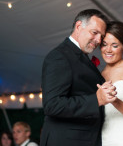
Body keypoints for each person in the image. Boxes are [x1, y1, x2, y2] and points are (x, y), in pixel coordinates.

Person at [40, 9, 117, 146]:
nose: (98, 40)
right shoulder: (60, 56)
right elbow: (52, 105)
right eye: (94, 32)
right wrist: (96, 99)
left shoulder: (79, 56)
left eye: (101, 36)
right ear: (78, 27)